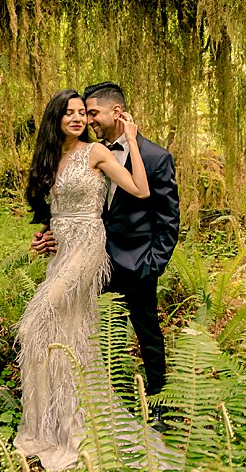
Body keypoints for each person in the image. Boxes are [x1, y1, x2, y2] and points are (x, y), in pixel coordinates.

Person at [14, 89, 152, 471]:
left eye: (82, 113)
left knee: (33, 325)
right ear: (55, 119)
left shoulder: (96, 153)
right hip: (60, 252)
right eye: (69, 113)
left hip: (88, 248)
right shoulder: (50, 159)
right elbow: (56, 212)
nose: (78, 119)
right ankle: (51, 427)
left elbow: (140, 190)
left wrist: (131, 142)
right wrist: (44, 235)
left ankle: (70, 425)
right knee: (63, 334)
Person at [32, 81, 180, 424]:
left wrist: (152, 264)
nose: (88, 120)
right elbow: (75, 206)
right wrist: (50, 233)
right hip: (95, 260)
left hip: (139, 262)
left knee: (148, 334)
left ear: (117, 112)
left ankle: (160, 407)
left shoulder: (156, 157)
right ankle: (105, 400)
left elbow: (168, 220)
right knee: (95, 332)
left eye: (92, 112)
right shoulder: (88, 154)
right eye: (82, 113)